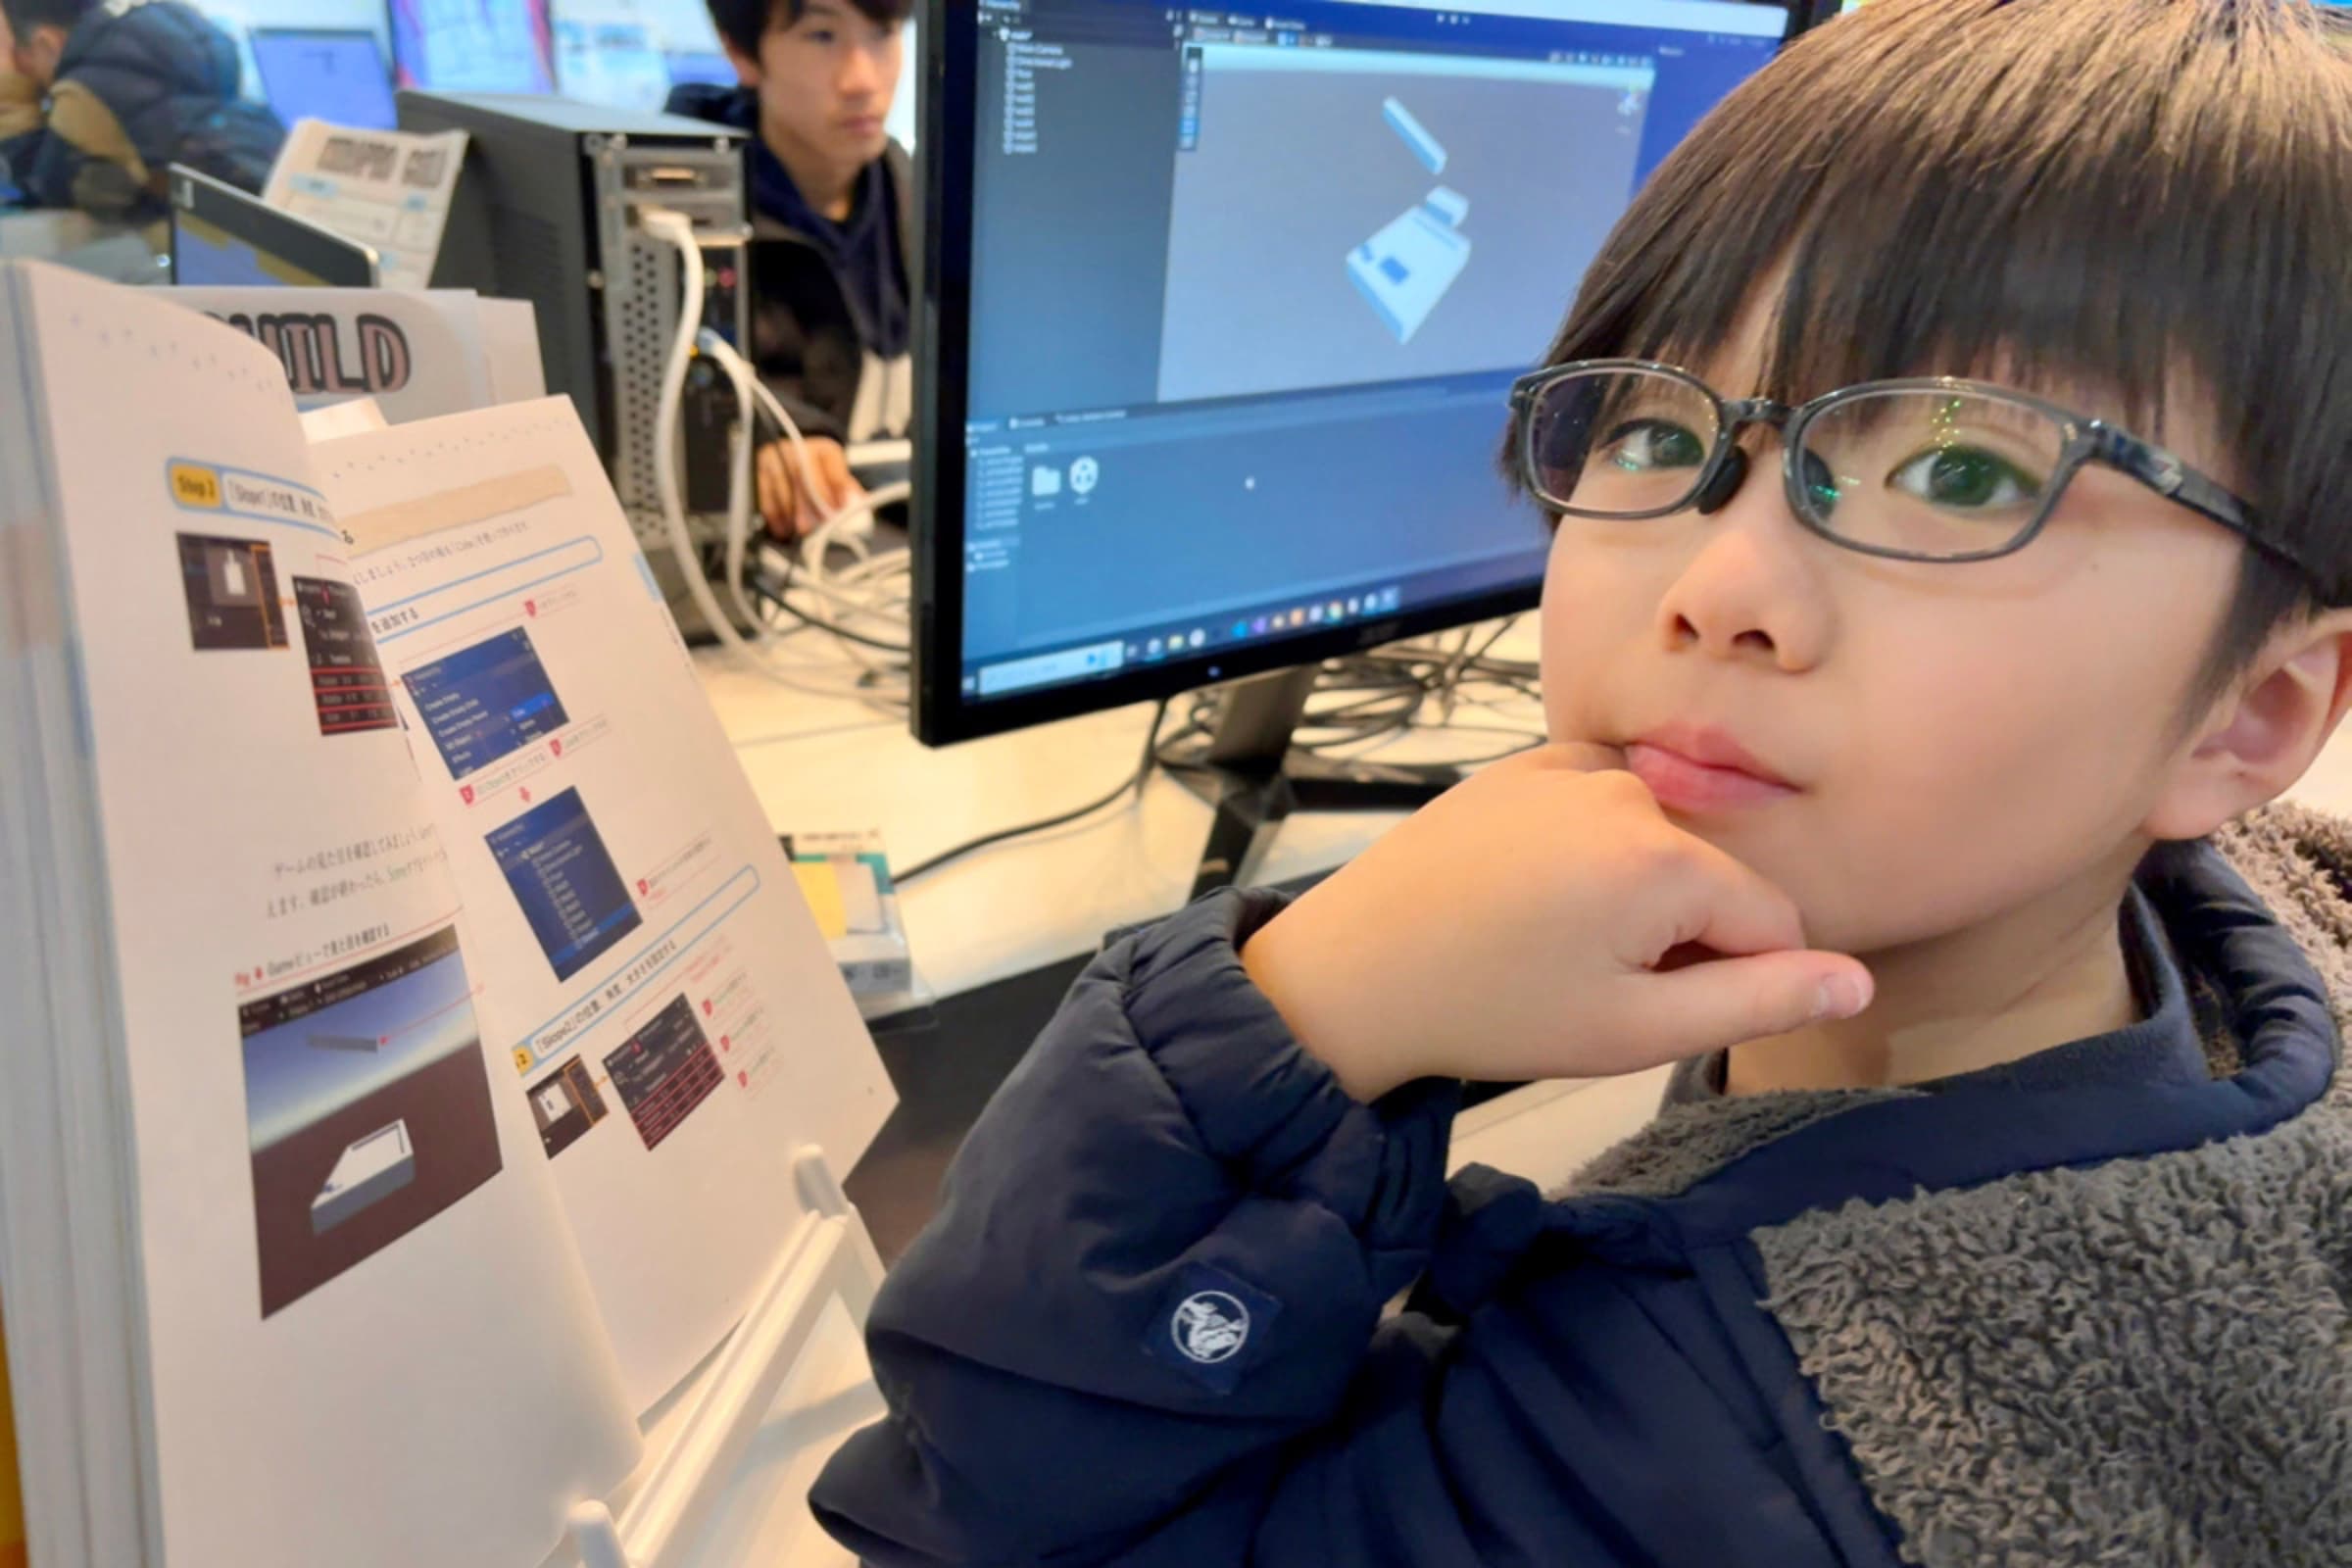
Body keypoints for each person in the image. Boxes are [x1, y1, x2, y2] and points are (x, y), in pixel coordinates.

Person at [808, 0, 2352, 1561]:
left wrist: (1302, 1013)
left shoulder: (1687, 1463)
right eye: (1660, 429)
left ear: (2252, 714)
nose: (1717, 585)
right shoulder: (2226, 986)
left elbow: (989, 1522)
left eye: (1966, 470)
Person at [670, 0, 914, 540]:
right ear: (740, 52)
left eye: (883, 33)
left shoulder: (922, 196)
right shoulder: (669, 226)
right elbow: (662, 389)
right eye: (822, 36)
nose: (863, 81)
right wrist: (762, 435)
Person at [0, 0, 280, 222]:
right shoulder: (185, 24)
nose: (25, 70)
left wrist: (16, 106)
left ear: (46, 44)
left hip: (175, 248)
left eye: (24, 57)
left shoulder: (84, 92)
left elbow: (42, 191)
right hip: (262, 203)